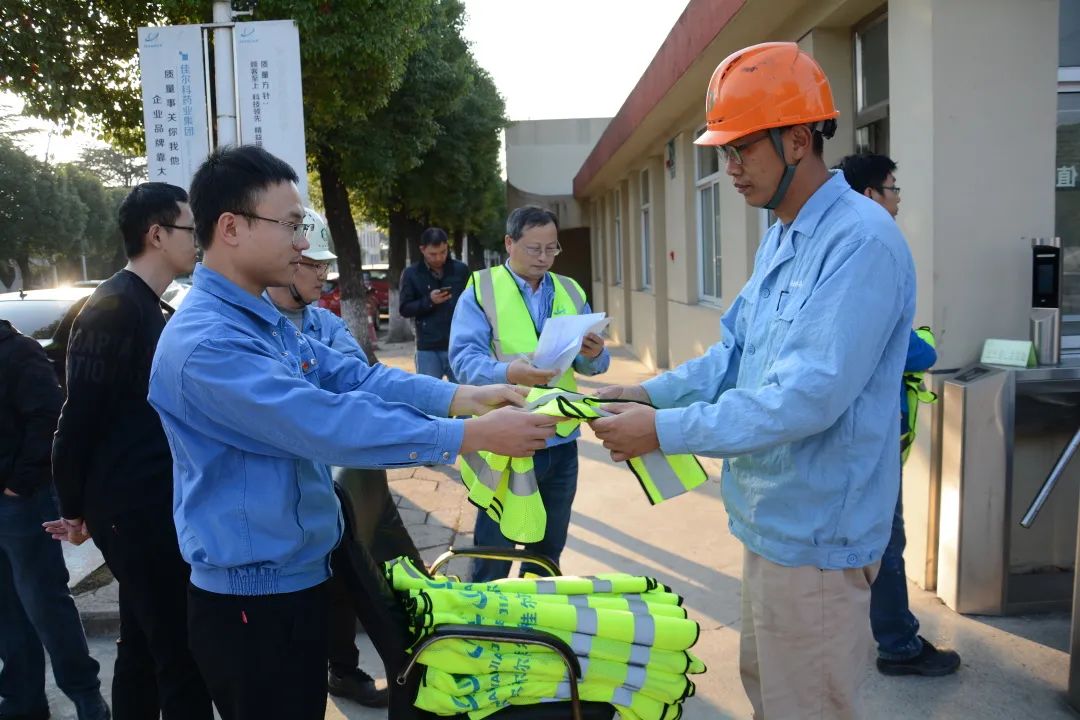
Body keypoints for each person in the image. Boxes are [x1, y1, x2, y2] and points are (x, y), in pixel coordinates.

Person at [147, 145, 557, 720]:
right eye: (290, 225)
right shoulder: (209, 343)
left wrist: (464, 397)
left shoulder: (261, 321)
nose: (301, 244)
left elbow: (355, 377)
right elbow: (323, 422)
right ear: (232, 228)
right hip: (252, 600)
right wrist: (469, 436)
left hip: (294, 576)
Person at [590, 42, 915, 719]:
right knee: (773, 698)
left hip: (818, 540)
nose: (730, 169)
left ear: (797, 140)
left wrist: (663, 430)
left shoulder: (860, 241)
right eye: (725, 152)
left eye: (741, 150)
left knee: (807, 708)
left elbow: (806, 398)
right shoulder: (783, 234)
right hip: (772, 523)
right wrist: (648, 393)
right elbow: (734, 353)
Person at [49, 182, 212, 719]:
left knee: (142, 647)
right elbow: (77, 419)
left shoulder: (149, 305)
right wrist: (75, 509)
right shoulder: (113, 308)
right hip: (132, 511)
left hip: (149, 502)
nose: (197, 241)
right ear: (157, 234)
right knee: (180, 653)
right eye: (190, 229)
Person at [265, 207, 412, 708]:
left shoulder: (325, 324)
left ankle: (358, 671)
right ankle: (337, 671)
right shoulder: (254, 327)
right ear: (289, 262)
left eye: (327, 266)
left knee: (356, 580)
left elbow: (358, 385)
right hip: (286, 496)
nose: (324, 275)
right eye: (315, 265)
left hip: (342, 483)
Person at [835, 152, 961, 677]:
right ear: (870, 195)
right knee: (883, 539)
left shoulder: (839, 247)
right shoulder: (872, 251)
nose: (898, 199)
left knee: (863, 537)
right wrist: (922, 345)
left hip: (846, 432)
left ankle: (877, 636)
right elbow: (908, 349)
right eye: (893, 188)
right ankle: (897, 644)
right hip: (867, 436)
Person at [449, 205, 609, 582]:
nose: (544, 258)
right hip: (507, 439)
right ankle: (487, 614)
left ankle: (537, 612)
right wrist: (508, 373)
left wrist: (595, 354)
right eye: (534, 248)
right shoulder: (482, 289)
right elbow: (463, 360)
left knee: (548, 551)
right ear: (510, 243)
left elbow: (593, 366)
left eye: (552, 248)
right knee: (495, 549)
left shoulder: (571, 290)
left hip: (561, 438)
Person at [0, 320, 110, 720]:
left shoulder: (18, 352)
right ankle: (22, 700)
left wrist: (18, 485)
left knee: (44, 604)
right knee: (6, 610)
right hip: (14, 499)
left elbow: (49, 419)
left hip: (21, 504)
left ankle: (86, 698)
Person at [399, 227, 470, 381]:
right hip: (428, 347)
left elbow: (473, 303)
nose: (439, 258)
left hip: (458, 344)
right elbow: (404, 308)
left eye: (443, 252)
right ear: (422, 250)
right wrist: (429, 301)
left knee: (465, 392)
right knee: (428, 392)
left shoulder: (461, 270)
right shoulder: (412, 274)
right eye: (433, 254)